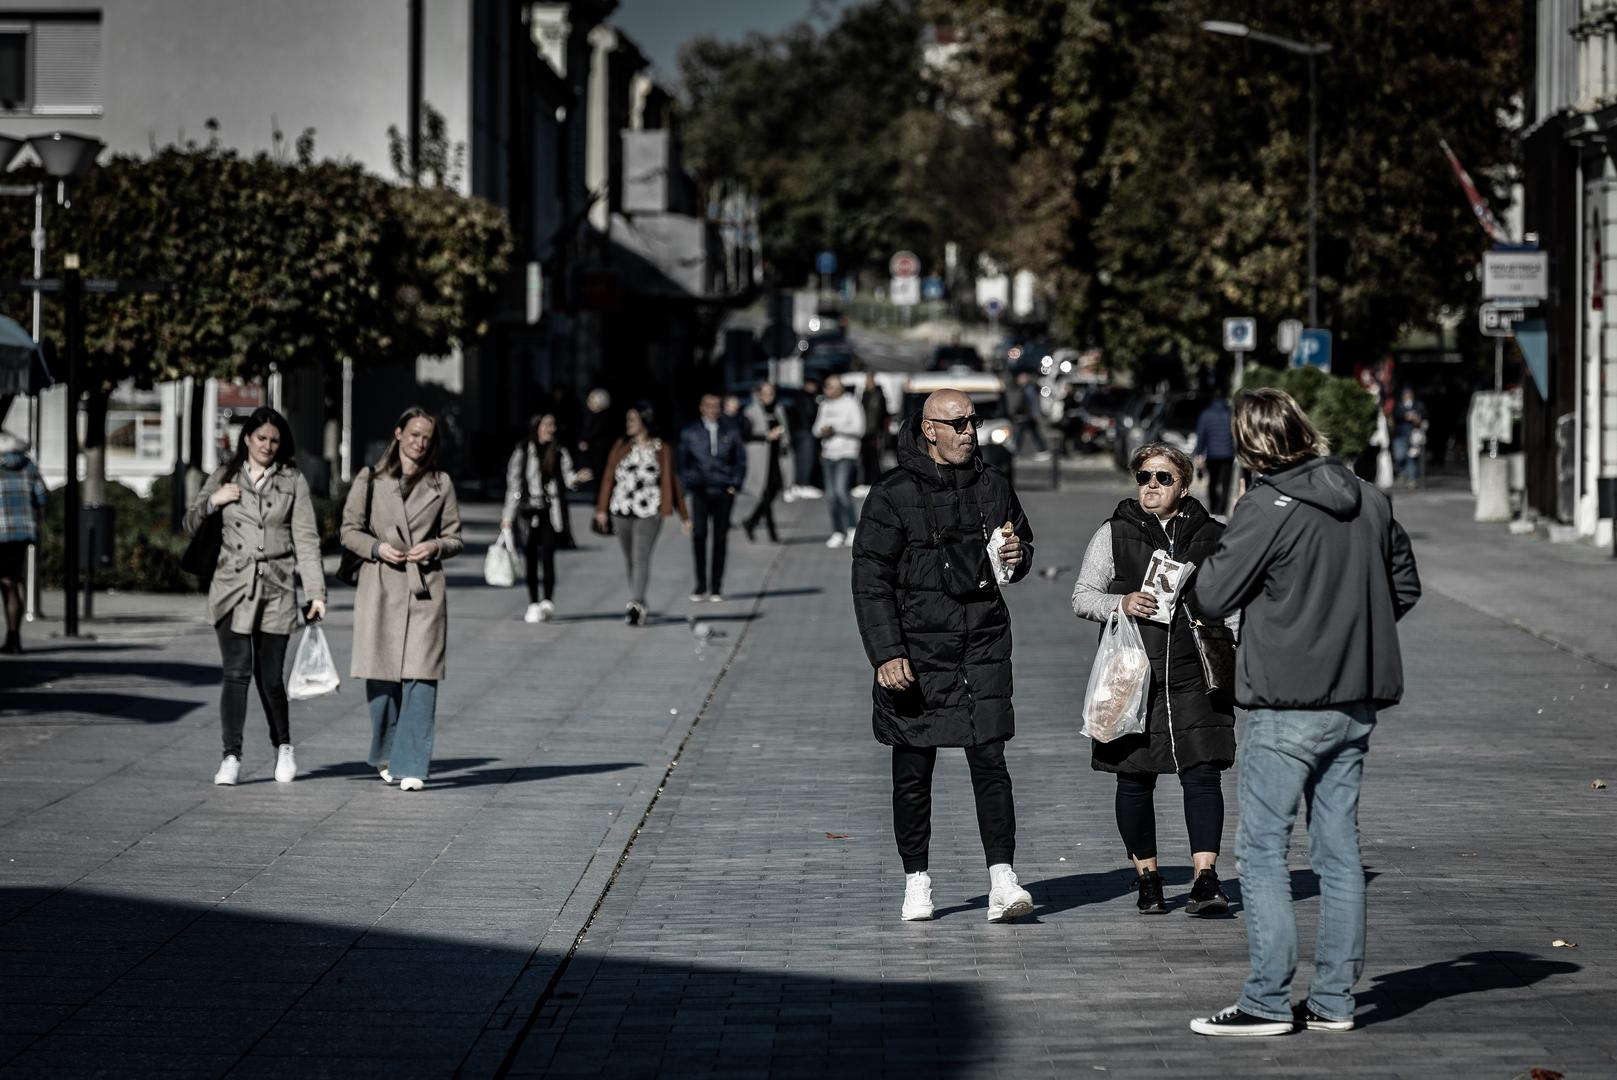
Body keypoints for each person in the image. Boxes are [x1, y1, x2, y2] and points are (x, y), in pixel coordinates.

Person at [1188, 388, 1420, 1037]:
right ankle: (1333, 999)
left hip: (1284, 703)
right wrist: (1347, 628)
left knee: (1262, 850)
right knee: (1337, 850)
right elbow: (1403, 584)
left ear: (1248, 447)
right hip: (1354, 699)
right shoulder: (1369, 498)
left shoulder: (1265, 506)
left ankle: (1265, 1000)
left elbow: (1209, 593)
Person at [852, 389, 1037, 924]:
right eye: (956, 424)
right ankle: (917, 880)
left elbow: (1020, 549)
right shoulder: (891, 493)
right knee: (912, 767)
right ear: (928, 429)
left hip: (980, 645)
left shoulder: (993, 485)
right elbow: (870, 582)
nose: (968, 432)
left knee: (990, 760)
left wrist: (1018, 554)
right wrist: (886, 653)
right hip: (915, 650)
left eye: (973, 422)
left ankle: (1002, 879)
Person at [1071, 442, 1239, 916]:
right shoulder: (1114, 532)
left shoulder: (1212, 536)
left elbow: (1235, 600)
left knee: (1203, 773)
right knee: (1134, 777)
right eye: (1145, 476)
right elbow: (1082, 596)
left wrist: (1234, 644)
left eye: (1164, 478)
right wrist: (1120, 603)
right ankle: (1148, 879)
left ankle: (1206, 879)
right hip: (1130, 672)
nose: (1151, 486)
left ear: (1184, 484)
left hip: (1196, 671)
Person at [184, 407, 326, 786]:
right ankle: (231, 755)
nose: (267, 446)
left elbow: (307, 541)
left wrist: (315, 592)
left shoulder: (292, 481)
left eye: (274, 441)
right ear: (246, 438)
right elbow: (189, 522)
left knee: (271, 678)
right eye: (261, 438)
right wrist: (214, 500)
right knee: (236, 673)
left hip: (277, 589)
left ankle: (283, 746)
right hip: (231, 587)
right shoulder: (224, 477)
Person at [340, 406, 464, 793]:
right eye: (414, 434)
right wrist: (377, 548)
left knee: (422, 678)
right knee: (381, 681)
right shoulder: (371, 479)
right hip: (380, 587)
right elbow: (348, 531)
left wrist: (435, 546)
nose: (420, 443)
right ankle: (386, 752)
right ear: (398, 434)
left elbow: (455, 537)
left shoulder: (441, 483)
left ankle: (412, 764)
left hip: (424, 590)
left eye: (427, 437)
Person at [595, 403, 690, 626]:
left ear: (645, 422)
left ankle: (635, 602)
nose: (628, 424)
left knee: (640, 558)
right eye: (627, 420)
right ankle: (639, 601)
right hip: (621, 510)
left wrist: (684, 515)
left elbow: (673, 482)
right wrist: (601, 509)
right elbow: (609, 476)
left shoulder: (661, 449)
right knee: (630, 559)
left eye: (633, 420)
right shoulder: (621, 446)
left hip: (649, 511)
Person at [501, 413, 592, 623]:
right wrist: (507, 516)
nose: (551, 429)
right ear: (537, 427)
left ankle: (547, 601)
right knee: (530, 557)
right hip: (527, 511)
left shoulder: (559, 451)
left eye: (553, 425)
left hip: (550, 511)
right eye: (547, 425)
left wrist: (576, 478)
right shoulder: (522, 451)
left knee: (549, 555)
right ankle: (533, 602)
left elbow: (568, 477)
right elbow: (513, 485)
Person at [677, 393, 747, 602]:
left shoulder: (730, 431)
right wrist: (690, 482)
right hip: (700, 490)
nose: (713, 410)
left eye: (717, 406)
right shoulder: (690, 432)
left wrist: (735, 484)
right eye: (709, 406)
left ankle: (716, 586)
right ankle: (700, 585)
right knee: (699, 535)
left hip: (724, 490)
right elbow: (683, 462)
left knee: (720, 538)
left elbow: (740, 460)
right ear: (701, 407)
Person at [0, 430, 46, 655]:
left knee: (5, 582)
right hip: (21, 533)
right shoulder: (30, 468)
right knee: (12, 584)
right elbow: (41, 498)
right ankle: (14, 637)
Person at [814, 374, 865, 548]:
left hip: (847, 453)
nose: (827, 389)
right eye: (826, 386)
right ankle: (837, 530)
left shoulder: (851, 403)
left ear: (840, 388)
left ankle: (851, 528)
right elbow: (815, 429)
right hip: (828, 454)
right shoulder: (825, 404)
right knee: (830, 496)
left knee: (841, 491)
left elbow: (859, 428)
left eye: (831, 386)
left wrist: (836, 428)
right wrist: (824, 430)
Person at [741, 382, 791, 543]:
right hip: (761, 460)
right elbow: (745, 435)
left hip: (777, 458)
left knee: (773, 492)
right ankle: (772, 532)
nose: (770, 396)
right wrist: (766, 436)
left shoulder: (778, 410)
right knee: (766, 493)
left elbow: (785, 431)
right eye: (766, 393)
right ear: (759, 394)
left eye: (772, 392)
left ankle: (751, 521)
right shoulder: (751, 412)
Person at [1193, 396, 1236, 514]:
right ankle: (1222, 509)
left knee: (1212, 481)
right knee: (1226, 484)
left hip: (1212, 454)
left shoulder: (1206, 414)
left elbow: (1201, 434)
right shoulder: (1230, 414)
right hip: (1228, 454)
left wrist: (1199, 452)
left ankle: (1213, 507)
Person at [788, 376, 823, 501]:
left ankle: (801, 484)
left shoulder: (798, 397)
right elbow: (809, 414)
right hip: (805, 431)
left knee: (802, 458)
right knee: (806, 459)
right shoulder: (807, 398)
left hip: (800, 431)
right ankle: (802, 484)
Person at [856, 371, 890, 496]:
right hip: (864, 431)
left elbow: (882, 414)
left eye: (869, 380)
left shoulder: (878, 395)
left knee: (874, 457)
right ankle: (866, 482)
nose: (867, 383)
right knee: (865, 458)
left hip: (875, 432)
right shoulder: (865, 394)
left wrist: (881, 432)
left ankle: (874, 481)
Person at [578, 388, 614, 486]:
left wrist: (585, 440)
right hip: (595, 452)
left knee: (601, 476)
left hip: (600, 452)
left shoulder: (603, 417)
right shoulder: (593, 416)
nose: (588, 403)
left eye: (591, 400)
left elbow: (595, 432)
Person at [1391, 388, 1426, 487]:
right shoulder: (1398, 405)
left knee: (1411, 457)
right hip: (1400, 435)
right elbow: (1395, 414)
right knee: (1399, 456)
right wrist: (1406, 416)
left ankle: (1411, 478)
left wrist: (1417, 418)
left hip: (1413, 435)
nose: (1407, 396)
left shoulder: (1418, 405)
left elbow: (1424, 415)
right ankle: (1402, 472)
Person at [1012, 372, 1050, 460]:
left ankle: (1014, 451)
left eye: (1021, 378)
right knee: (1031, 433)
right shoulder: (1026, 388)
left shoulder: (1028, 389)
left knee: (1020, 433)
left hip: (1027, 416)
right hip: (1027, 416)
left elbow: (1033, 403)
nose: (1019, 380)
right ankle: (1043, 450)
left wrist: (1034, 414)